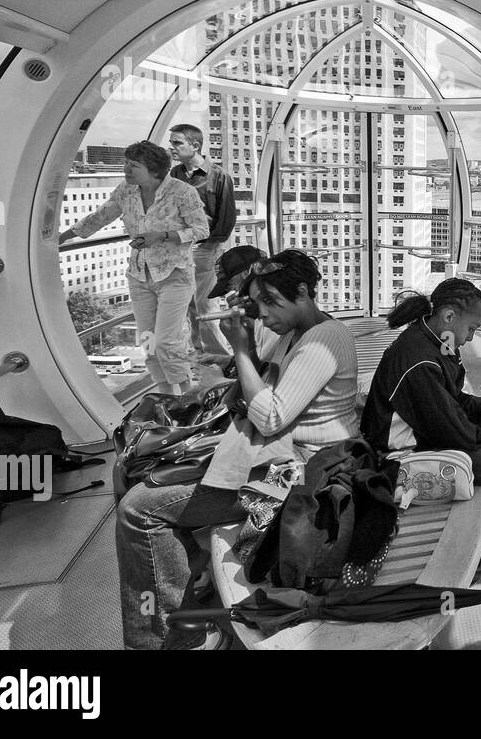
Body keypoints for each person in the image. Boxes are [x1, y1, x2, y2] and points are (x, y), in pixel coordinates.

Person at [115, 248, 360, 649]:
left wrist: (242, 350)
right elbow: (263, 390)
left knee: (140, 511)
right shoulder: (297, 333)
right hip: (284, 455)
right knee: (145, 478)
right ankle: (187, 605)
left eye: (270, 302)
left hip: (303, 471)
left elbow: (272, 416)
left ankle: (166, 639)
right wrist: (244, 347)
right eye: (258, 302)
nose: (263, 313)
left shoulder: (323, 340)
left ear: (303, 292)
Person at [361, 278, 481, 568]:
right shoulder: (419, 362)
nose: (471, 338)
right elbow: (456, 435)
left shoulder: (435, 341)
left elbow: (454, 399)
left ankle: (473, 495)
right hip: (398, 462)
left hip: (430, 436)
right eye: (472, 328)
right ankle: (474, 565)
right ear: (449, 316)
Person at [59, 140, 208, 395]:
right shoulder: (126, 191)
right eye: (126, 163)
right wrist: (61, 238)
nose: (126, 169)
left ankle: (186, 393)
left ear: (153, 169)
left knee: (167, 340)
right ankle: (164, 394)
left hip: (174, 275)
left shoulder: (182, 192)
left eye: (133, 165)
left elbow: (201, 230)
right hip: (139, 276)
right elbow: (100, 217)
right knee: (148, 340)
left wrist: (161, 235)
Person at [168, 124, 237, 366]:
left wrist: (209, 247)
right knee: (187, 306)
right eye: (172, 143)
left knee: (205, 306)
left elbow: (227, 218)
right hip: (179, 248)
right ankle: (199, 358)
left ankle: (221, 360)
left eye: (177, 143)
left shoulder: (218, 176)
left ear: (195, 146)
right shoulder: (174, 175)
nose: (172, 147)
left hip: (204, 248)